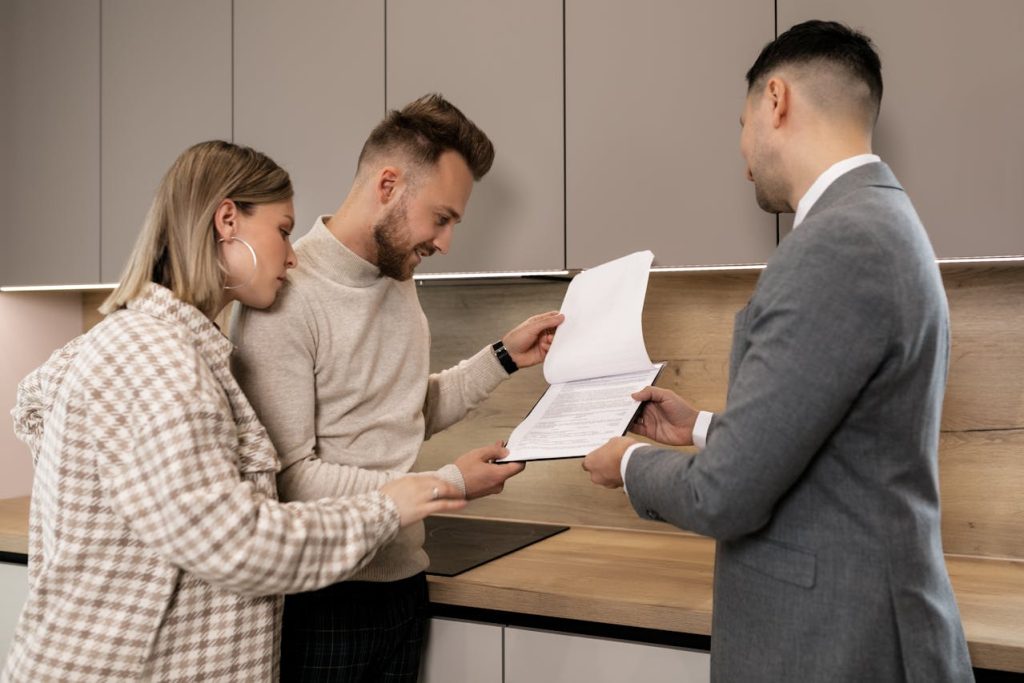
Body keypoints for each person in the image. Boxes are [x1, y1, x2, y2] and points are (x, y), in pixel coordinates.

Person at [582, 20, 974, 681]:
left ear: (776, 100)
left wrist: (629, 462)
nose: (741, 151)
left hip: (837, 643)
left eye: (741, 124)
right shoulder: (882, 220)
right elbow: (840, 445)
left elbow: (724, 497)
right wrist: (702, 426)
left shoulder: (834, 245)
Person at [4, 140, 466, 682]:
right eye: (283, 230)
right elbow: (235, 543)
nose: (293, 257)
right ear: (228, 220)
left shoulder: (154, 348)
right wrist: (389, 505)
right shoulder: (160, 362)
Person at [230, 94, 563, 681]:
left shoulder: (396, 273)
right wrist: (445, 485)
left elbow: (406, 407)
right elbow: (286, 478)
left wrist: (504, 357)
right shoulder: (285, 294)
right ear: (388, 184)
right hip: (323, 597)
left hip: (404, 583)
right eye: (442, 217)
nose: (445, 242)